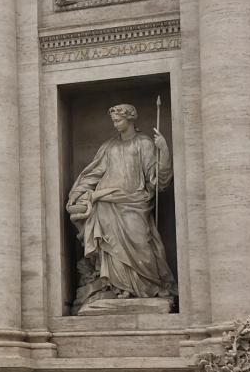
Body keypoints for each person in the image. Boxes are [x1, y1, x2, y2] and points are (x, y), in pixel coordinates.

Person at [66, 104, 174, 304]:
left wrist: (164, 151)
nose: (115, 125)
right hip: (107, 203)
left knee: (142, 245)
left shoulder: (144, 143)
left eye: (118, 120)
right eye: (113, 121)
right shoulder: (109, 146)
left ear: (130, 119)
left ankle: (148, 286)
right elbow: (94, 173)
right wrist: (78, 192)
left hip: (135, 201)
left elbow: (157, 179)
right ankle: (119, 288)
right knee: (112, 247)